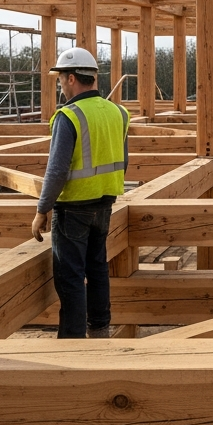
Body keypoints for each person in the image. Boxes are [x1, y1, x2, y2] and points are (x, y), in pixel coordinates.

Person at [29, 47, 130, 339]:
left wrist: (42, 210)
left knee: (70, 276)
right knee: (97, 267)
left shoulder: (69, 116)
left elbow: (57, 170)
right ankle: (99, 327)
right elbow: (123, 161)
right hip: (104, 204)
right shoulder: (118, 112)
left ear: (72, 78)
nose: (60, 86)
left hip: (73, 207)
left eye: (61, 80)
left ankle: (72, 339)